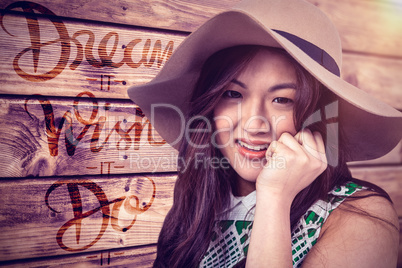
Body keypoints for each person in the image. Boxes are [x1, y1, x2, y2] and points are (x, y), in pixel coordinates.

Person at [128, 0, 402, 267]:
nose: (254, 125)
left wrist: (274, 197)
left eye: (282, 99)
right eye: (233, 94)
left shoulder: (363, 217)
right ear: (210, 105)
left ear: (320, 115)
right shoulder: (198, 204)